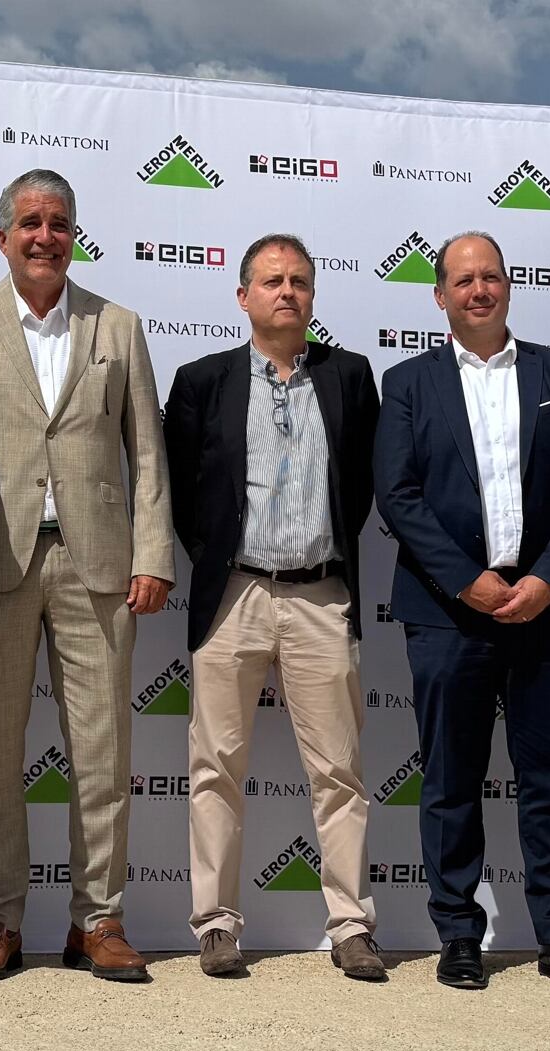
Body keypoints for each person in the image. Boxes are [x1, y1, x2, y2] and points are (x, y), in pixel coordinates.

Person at [0, 169, 175, 983]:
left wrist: (152, 557)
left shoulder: (120, 326)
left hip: (98, 567)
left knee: (102, 754)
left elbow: (148, 452)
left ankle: (97, 921)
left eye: (59, 222)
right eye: (29, 222)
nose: (45, 236)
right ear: (3, 237)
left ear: (75, 235)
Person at [372, 231, 550, 993]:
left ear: (510, 286)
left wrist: (546, 578)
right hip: (449, 612)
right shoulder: (407, 382)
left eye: (492, 277)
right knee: (449, 778)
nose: (480, 290)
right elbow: (398, 495)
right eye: (463, 280)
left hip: (547, 606)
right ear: (439, 296)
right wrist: (463, 580)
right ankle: (458, 935)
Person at [163, 234, 385, 981]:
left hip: (322, 594)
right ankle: (217, 924)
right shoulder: (201, 381)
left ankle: (351, 925)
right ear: (243, 296)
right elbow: (183, 493)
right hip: (234, 596)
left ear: (313, 296)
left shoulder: (351, 376)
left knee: (341, 773)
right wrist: (225, 562)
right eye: (271, 281)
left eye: (299, 281)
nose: (286, 292)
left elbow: (359, 488)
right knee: (215, 767)